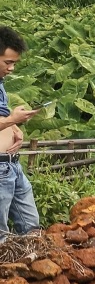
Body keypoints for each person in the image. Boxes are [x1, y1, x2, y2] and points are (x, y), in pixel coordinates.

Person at [0, 26, 40, 237]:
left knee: (32, 228)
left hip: (11, 166)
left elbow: (1, 116)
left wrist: (15, 127)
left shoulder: (0, 84)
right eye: (8, 62)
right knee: (1, 236)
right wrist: (12, 120)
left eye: (14, 63)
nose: (12, 68)